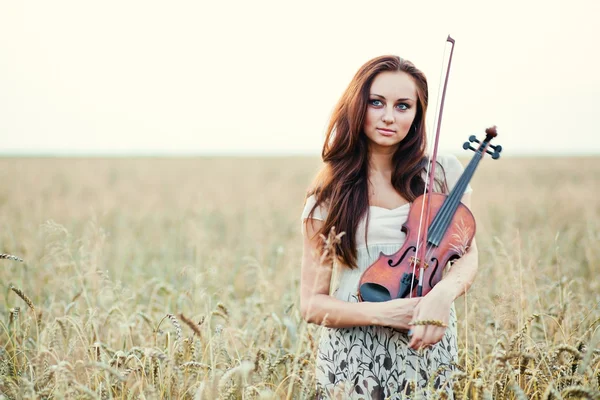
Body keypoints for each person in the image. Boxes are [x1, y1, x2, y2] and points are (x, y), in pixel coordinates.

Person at [299, 55, 479, 399]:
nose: (388, 116)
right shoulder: (328, 195)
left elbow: (468, 255)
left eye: (403, 106)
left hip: (428, 344)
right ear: (357, 105)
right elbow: (311, 304)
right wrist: (384, 312)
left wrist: (441, 295)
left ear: (417, 115)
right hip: (352, 357)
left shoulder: (442, 172)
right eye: (376, 102)